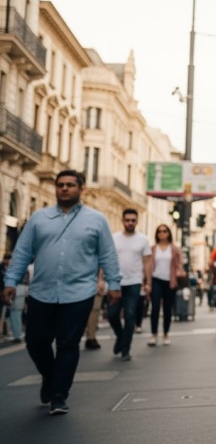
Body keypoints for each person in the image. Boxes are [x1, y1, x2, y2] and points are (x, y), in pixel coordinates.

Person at [1, 169, 121, 415]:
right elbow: (23, 252)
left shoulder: (97, 220)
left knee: (68, 344)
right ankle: (50, 376)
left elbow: (107, 255)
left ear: (81, 189)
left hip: (80, 291)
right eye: (60, 185)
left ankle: (59, 395)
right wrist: (11, 281)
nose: (64, 189)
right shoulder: (39, 218)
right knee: (35, 341)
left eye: (70, 185)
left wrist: (114, 285)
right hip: (42, 291)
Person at [108, 209, 152, 361]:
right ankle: (120, 337)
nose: (130, 223)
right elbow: (106, 260)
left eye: (133, 220)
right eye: (127, 220)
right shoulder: (114, 238)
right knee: (112, 315)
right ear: (122, 221)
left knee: (130, 315)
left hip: (134, 282)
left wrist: (148, 283)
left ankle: (126, 349)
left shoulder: (143, 240)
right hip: (115, 282)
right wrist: (101, 279)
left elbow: (147, 262)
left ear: (137, 221)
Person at [146, 224, 183, 346]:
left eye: (165, 231)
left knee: (168, 309)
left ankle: (166, 334)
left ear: (169, 233)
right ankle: (153, 335)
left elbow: (180, 263)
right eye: (159, 231)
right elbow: (148, 265)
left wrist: (179, 270)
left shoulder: (174, 249)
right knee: (155, 307)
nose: (162, 233)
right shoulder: (153, 249)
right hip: (156, 280)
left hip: (170, 281)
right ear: (156, 234)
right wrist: (147, 282)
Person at [82, 269, 106, 350]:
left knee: (95, 310)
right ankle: (90, 337)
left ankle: (91, 337)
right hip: (79, 281)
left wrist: (100, 280)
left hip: (93, 280)